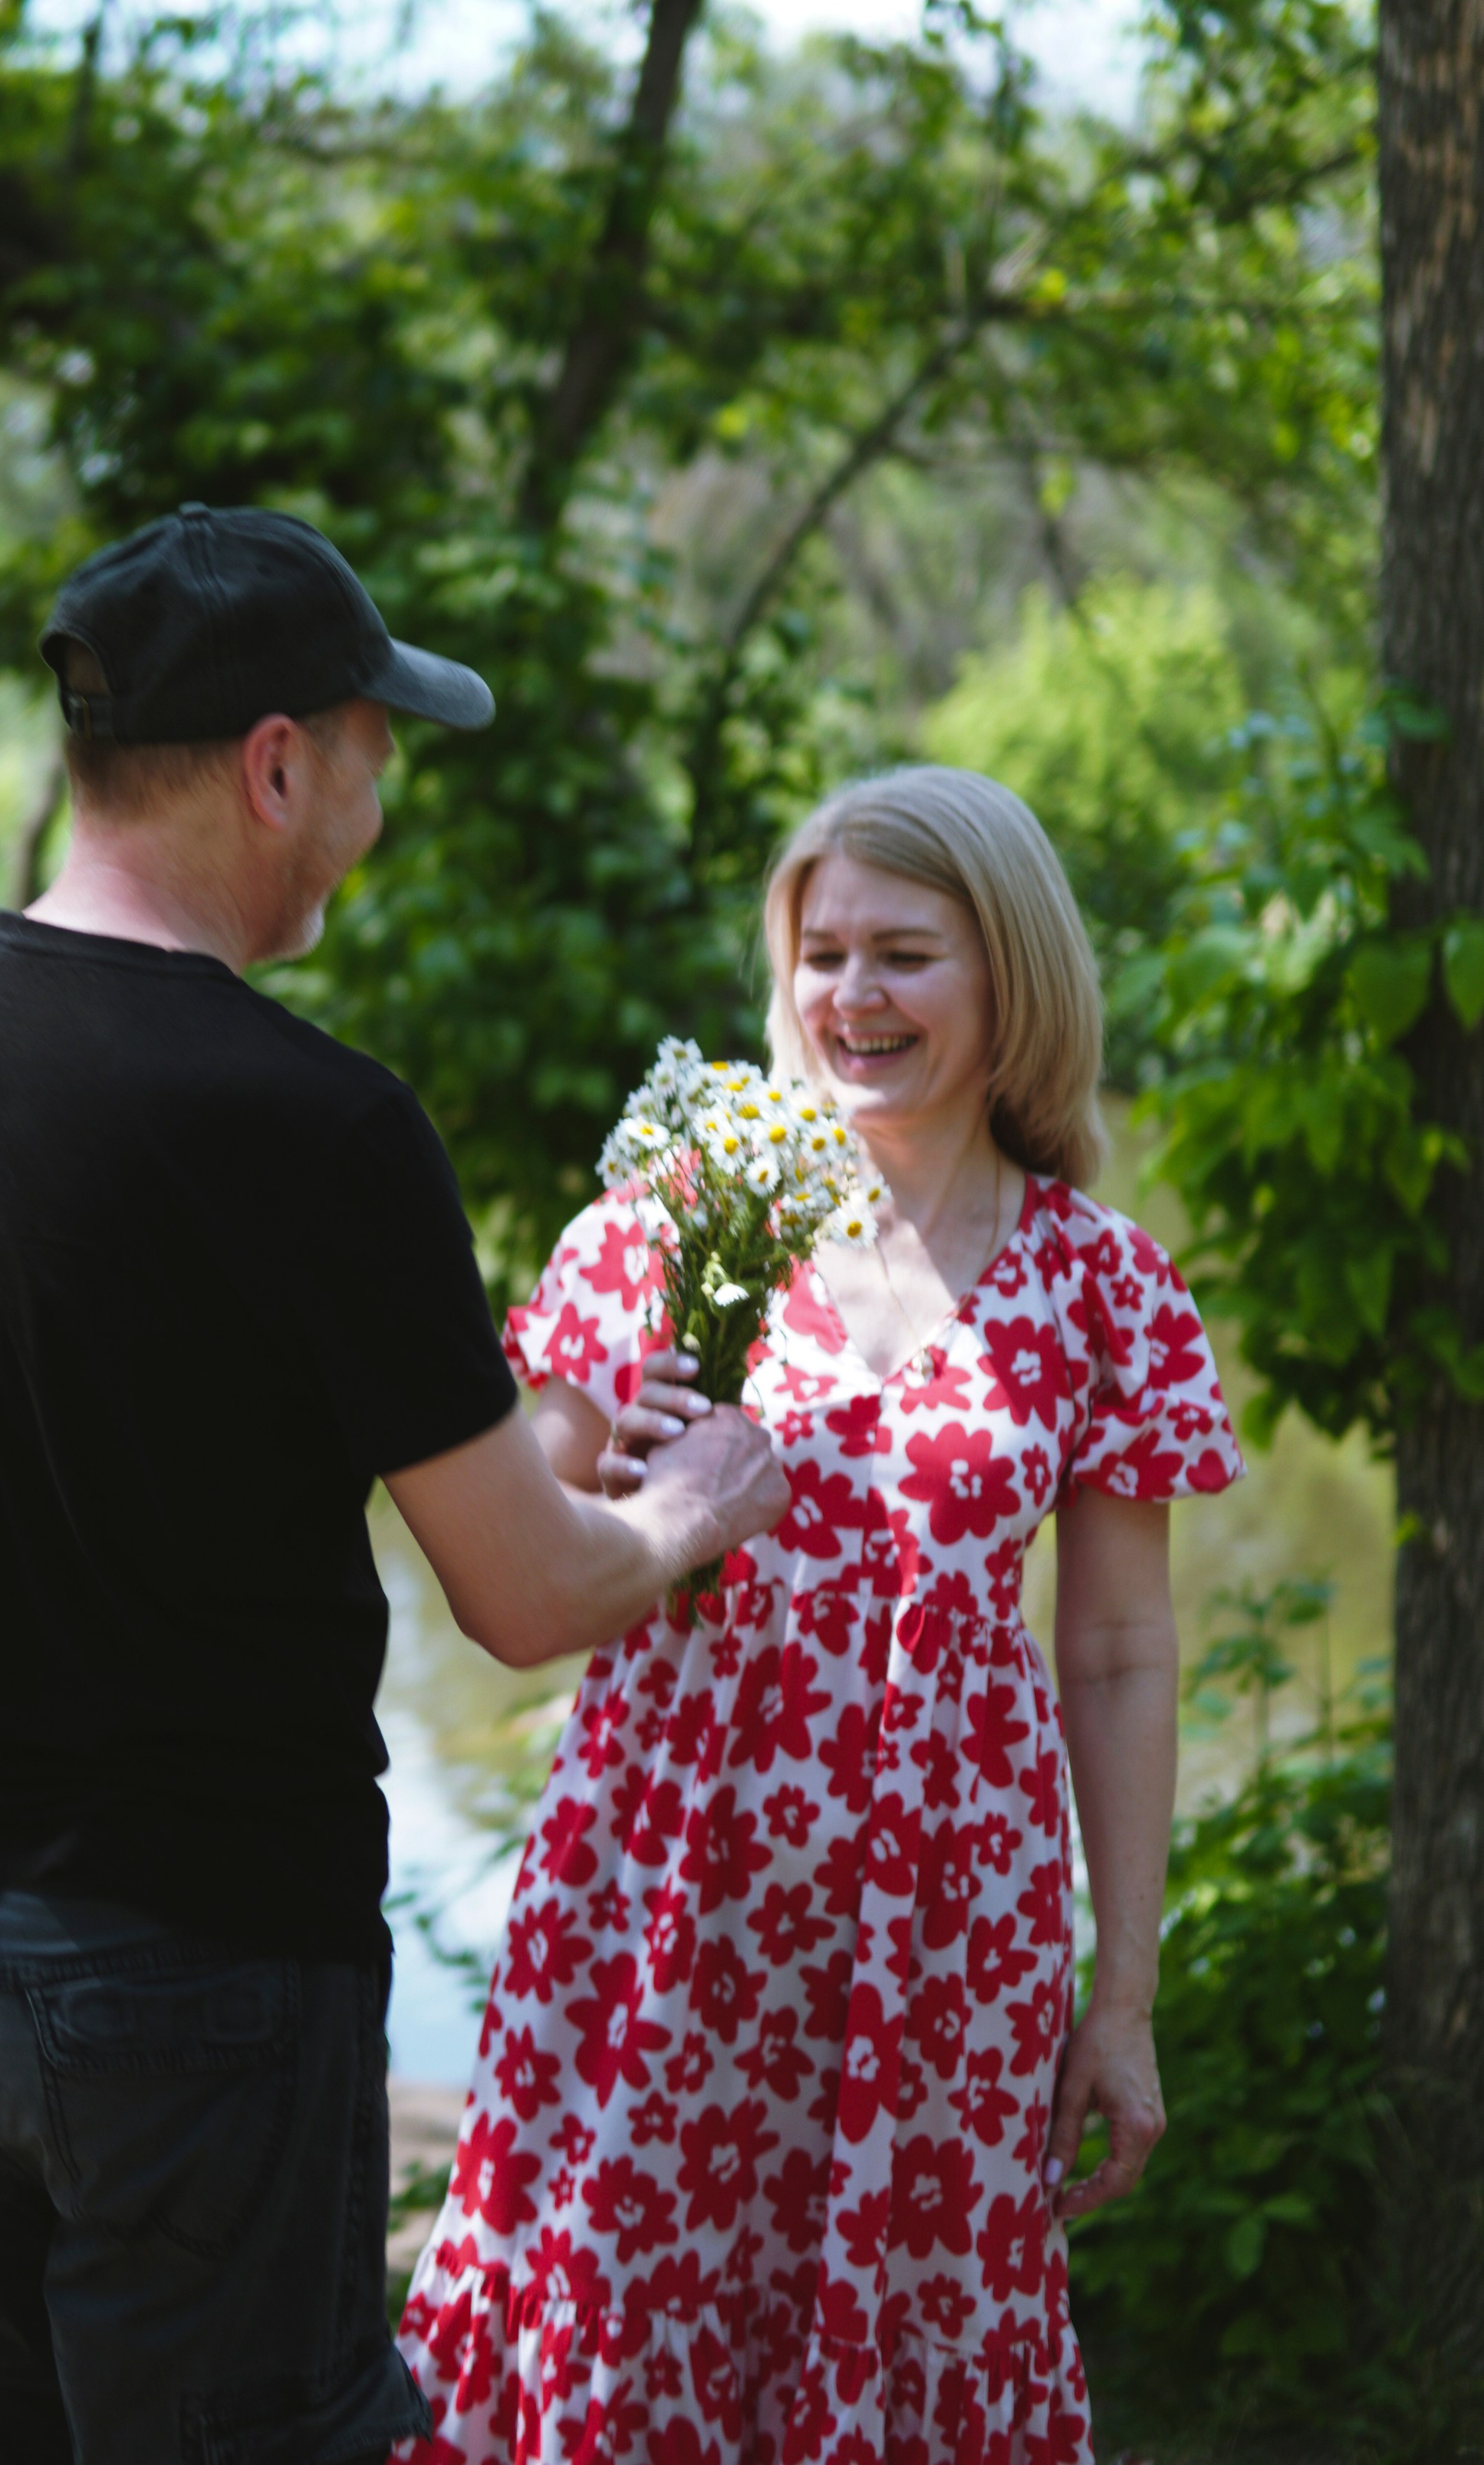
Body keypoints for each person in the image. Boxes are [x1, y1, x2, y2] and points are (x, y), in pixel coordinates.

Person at [0, 503, 786, 2465]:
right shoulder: (323, 1129)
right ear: (274, 763)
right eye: (374, 752)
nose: (378, 803)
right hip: (200, 1976)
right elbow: (527, 1596)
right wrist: (696, 1502)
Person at [396, 765, 1243, 2465]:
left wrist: (1122, 1996)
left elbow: (1118, 1650)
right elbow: (510, 1563)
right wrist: (620, 1494)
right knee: (626, 2318)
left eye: (904, 955)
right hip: (662, 1911)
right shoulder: (680, 1226)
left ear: (1009, 976)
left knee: (906, 2336)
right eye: (822, 953)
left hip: (945, 1941)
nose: (851, 996)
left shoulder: (1101, 1286)